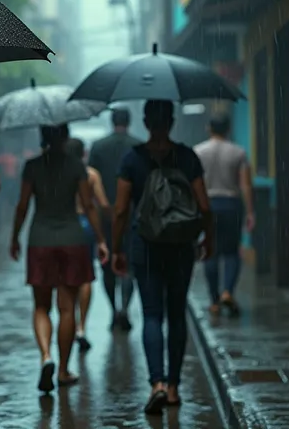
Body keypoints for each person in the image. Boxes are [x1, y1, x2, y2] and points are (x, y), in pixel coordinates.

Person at [112, 100, 213, 415]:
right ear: (171, 121)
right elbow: (204, 205)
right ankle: (172, 387)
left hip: (146, 246)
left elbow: (120, 210)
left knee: (152, 314)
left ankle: (155, 383)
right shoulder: (187, 156)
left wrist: (117, 248)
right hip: (181, 245)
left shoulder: (133, 159)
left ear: (145, 122)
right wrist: (208, 237)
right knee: (177, 314)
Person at [10, 124, 109, 393]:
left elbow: (22, 206)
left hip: (40, 240)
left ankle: (46, 357)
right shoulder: (77, 166)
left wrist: (14, 237)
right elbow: (88, 205)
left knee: (41, 306)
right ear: (65, 137)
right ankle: (63, 370)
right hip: (72, 239)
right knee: (67, 308)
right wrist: (100, 239)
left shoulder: (32, 166)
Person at [194, 112, 254, 316]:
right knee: (231, 252)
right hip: (231, 204)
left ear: (209, 129)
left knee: (210, 252)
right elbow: (245, 185)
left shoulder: (198, 152)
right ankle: (228, 291)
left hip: (207, 205)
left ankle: (214, 301)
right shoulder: (238, 152)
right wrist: (250, 211)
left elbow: (193, 184)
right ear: (228, 129)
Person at [88, 108, 142, 331]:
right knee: (130, 264)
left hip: (106, 214)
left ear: (112, 121)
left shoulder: (99, 147)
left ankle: (113, 310)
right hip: (132, 214)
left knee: (107, 264)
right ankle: (125, 309)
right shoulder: (138, 147)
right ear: (129, 121)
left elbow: (89, 183)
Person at [64, 137, 109, 352]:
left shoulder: (59, 173)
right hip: (86, 225)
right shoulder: (91, 175)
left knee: (65, 278)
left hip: (65, 226)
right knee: (86, 277)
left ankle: (68, 322)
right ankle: (81, 326)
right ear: (84, 153)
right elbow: (102, 203)